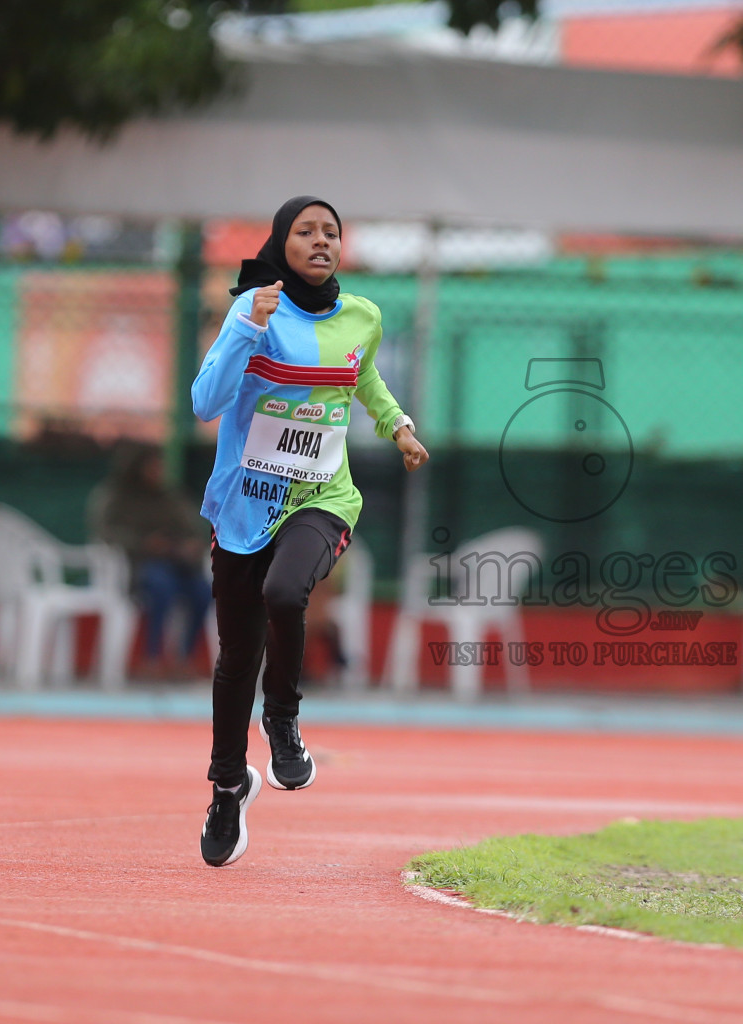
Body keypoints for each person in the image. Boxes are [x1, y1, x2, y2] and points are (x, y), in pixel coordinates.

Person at [191, 195, 428, 866]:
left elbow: (364, 379)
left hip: (323, 496)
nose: (321, 240)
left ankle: (284, 720)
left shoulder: (364, 317)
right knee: (236, 658)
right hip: (244, 506)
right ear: (281, 243)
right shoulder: (253, 311)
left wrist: (398, 426)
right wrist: (247, 328)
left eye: (332, 232)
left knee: (287, 593)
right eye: (306, 231)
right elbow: (205, 402)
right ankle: (229, 787)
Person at [87, 444, 212, 676]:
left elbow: (194, 530)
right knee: (160, 585)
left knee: (203, 592)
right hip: (138, 567)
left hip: (180, 566)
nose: (158, 471)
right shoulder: (116, 497)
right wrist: (145, 543)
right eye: (152, 466)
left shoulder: (171, 497)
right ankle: (151, 657)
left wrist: (188, 546)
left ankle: (183, 659)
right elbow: (107, 533)